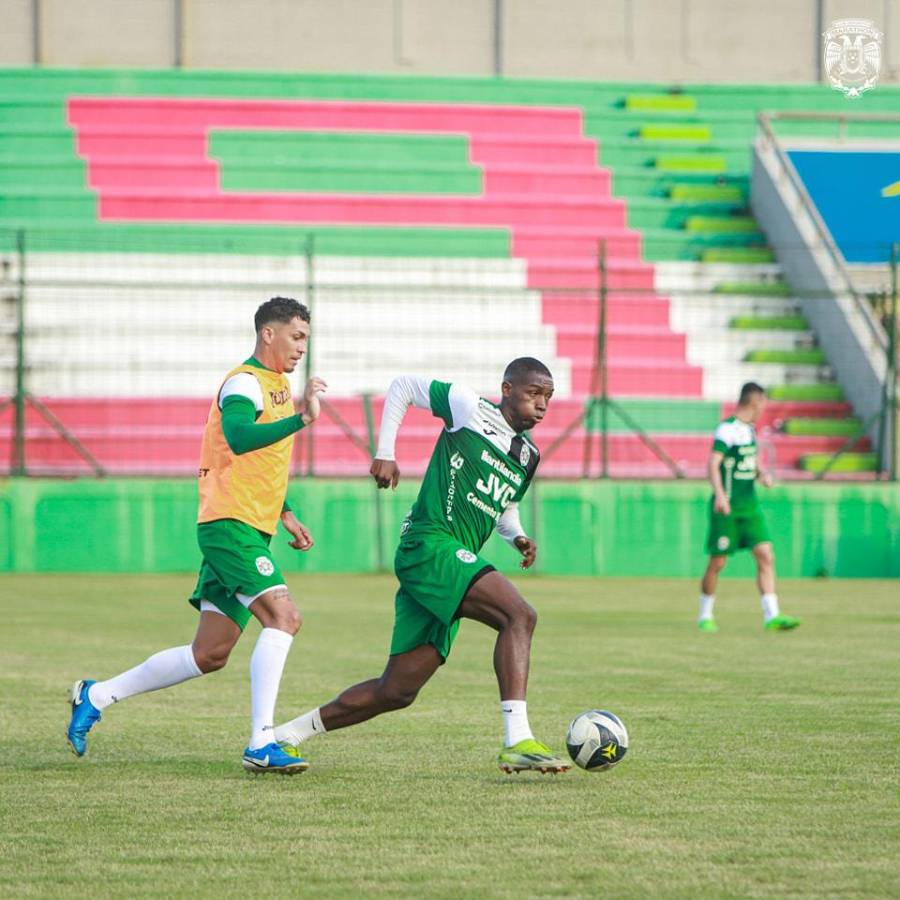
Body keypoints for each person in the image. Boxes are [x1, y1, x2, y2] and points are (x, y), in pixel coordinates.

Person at [66, 296, 327, 774]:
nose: (301, 347)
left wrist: (285, 512)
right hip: (230, 525)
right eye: (296, 336)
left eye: (306, 338)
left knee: (209, 654)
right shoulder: (244, 383)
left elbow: (257, 461)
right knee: (284, 618)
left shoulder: (278, 386)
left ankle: (95, 694)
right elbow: (241, 436)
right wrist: (303, 420)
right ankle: (261, 743)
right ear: (268, 334)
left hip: (250, 525)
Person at [275, 358, 569, 774]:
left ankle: (286, 735)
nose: (541, 405)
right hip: (429, 545)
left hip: (449, 563)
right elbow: (403, 386)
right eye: (533, 394)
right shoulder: (469, 407)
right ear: (506, 390)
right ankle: (517, 739)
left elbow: (504, 506)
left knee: (396, 690)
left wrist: (516, 535)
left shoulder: (528, 455)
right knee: (519, 615)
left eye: (548, 397)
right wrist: (386, 452)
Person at [697, 381, 800, 633]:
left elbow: (750, 461)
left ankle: (771, 615)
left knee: (765, 554)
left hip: (749, 506)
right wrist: (720, 496)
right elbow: (713, 464)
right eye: (763, 403)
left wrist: (762, 474)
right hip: (727, 507)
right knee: (718, 562)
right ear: (754, 402)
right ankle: (705, 614)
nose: (764, 408)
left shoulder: (750, 430)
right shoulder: (727, 429)